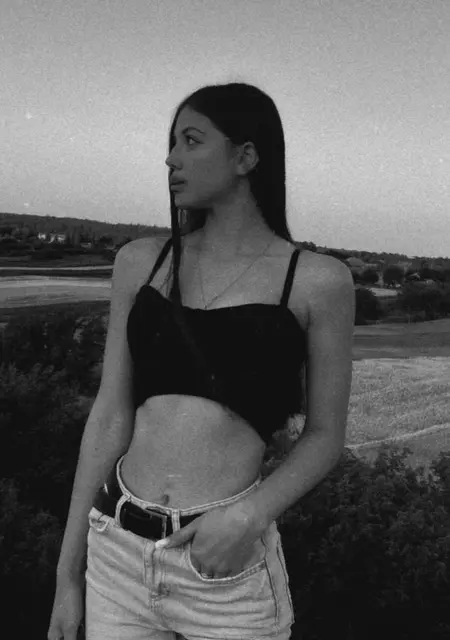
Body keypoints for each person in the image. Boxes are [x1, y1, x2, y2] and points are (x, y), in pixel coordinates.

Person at [48, 81, 355, 640]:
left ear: (246, 157)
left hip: (224, 570)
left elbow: (325, 435)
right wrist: (68, 574)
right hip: (116, 558)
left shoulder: (317, 281)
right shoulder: (141, 262)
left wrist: (249, 516)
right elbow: (110, 416)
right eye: (172, 143)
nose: (171, 158)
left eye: (191, 141)